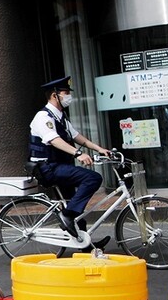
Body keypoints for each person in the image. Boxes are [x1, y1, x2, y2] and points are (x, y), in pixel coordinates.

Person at [29, 76, 112, 249]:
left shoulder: (61, 117)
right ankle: (67, 216)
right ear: (55, 95)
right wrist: (78, 153)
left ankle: (85, 245)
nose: (69, 96)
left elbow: (78, 137)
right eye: (65, 93)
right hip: (48, 168)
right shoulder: (43, 116)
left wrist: (99, 149)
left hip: (60, 166)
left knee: (74, 203)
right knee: (93, 178)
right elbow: (54, 140)